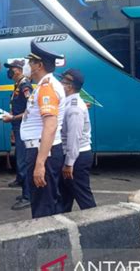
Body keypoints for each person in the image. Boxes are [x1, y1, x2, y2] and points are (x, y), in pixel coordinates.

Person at [20, 40, 66, 218]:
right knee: (45, 203)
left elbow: (50, 125)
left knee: (43, 208)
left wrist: (39, 164)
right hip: (42, 150)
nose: (28, 65)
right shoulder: (44, 86)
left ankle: (47, 245)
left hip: (42, 152)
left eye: (31, 62)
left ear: (39, 65)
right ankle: (52, 244)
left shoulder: (47, 88)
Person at [59, 69, 97, 212]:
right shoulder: (68, 103)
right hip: (74, 156)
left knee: (83, 197)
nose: (60, 84)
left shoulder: (74, 108)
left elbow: (74, 137)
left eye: (62, 82)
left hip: (77, 158)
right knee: (64, 197)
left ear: (69, 86)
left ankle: (97, 225)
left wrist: (69, 164)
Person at [2, 59, 33, 210]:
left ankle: (28, 197)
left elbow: (31, 110)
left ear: (19, 70)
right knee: (20, 161)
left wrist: (13, 118)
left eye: (11, 69)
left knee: (24, 163)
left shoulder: (25, 86)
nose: (10, 71)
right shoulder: (18, 85)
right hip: (18, 128)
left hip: (24, 129)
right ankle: (25, 192)